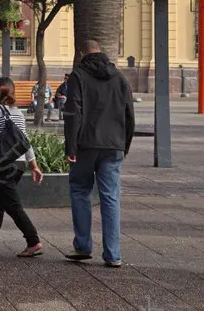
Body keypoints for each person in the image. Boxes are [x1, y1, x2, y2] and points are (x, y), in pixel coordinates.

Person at [63, 40, 135, 268]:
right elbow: (129, 115)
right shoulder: (119, 77)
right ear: (102, 51)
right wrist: (124, 145)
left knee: (80, 191)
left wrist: (70, 147)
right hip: (113, 145)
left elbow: (73, 112)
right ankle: (113, 254)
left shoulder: (78, 76)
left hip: (85, 145)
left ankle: (83, 246)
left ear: (82, 53)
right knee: (111, 197)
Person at [0, 77, 44, 257]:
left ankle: (33, 240)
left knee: (12, 205)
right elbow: (25, 142)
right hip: (19, 163)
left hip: (2, 164)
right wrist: (33, 165)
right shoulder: (18, 112)